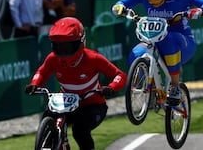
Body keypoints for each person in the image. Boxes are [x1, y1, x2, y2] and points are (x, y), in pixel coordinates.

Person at [24, 17, 127, 149]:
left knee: (80, 131)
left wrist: (112, 88)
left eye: (67, 47)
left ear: (81, 42)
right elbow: (42, 72)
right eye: (58, 46)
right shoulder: (52, 58)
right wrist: (35, 84)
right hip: (64, 103)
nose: (63, 52)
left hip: (92, 106)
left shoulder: (93, 58)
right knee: (47, 125)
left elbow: (120, 75)